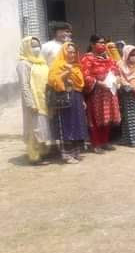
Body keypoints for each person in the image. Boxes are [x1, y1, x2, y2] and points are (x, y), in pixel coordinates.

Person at [48, 42, 89, 163]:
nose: (71, 55)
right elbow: (53, 81)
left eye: (73, 52)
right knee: (67, 126)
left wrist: (82, 100)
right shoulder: (58, 65)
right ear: (64, 52)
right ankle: (67, 155)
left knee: (77, 124)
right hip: (64, 98)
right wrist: (67, 72)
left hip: (76, 97)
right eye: (69, 52)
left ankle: (76, 152)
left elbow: (79, 85)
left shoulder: (77, 66)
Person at [81, 35, 121, 154]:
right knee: (96, 118)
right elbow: (86, 76)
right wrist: (98, 83)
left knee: (108, 118)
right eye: (100, 43)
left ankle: (104, 141)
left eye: (104, 43)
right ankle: (95, 143)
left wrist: (118, 77)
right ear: (92, 44)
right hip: (96, 93)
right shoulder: (87, 59)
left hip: (110, 92)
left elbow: (115, 70)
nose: (103, 45)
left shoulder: (108, 57)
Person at [17, 36, 53, 165]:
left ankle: (42, 152)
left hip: (43, 100)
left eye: (38, 45)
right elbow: (24, 86)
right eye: (32, 45)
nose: (36, 48)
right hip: (33, 101)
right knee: (34, 129)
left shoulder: (40, 61)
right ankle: (34, 156)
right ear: (26, 47)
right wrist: (30, 103)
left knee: (42, 127)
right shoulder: (23, 64)